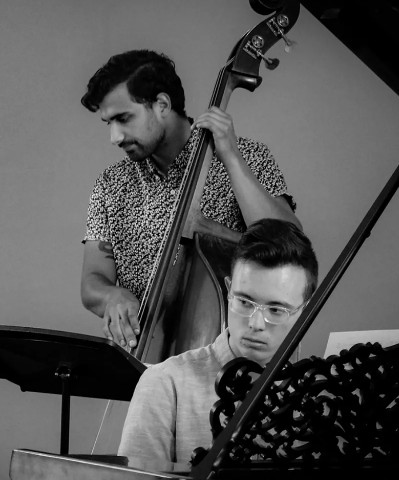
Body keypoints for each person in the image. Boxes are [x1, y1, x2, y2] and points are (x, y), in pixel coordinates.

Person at [79, 49, 300, 350]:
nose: (115, 137)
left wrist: (231, 157)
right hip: (143, 357)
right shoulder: (110, 184)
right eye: (109, 123)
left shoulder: (249, 156)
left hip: (231, 356)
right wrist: (111, 295)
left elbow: (291, 248)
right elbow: (92, 281)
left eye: (123, 118)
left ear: (162, 104)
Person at [116, 218, 318, 465]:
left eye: (276, 310)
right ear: (229, 291)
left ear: (305, 311)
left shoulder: (320, 394)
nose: (256, 323)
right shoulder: (165, 383)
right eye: (244, 302)